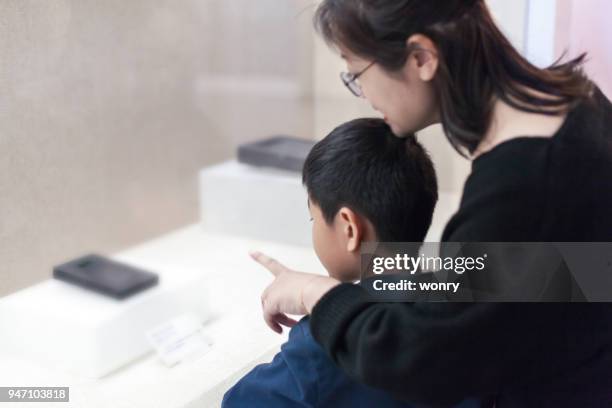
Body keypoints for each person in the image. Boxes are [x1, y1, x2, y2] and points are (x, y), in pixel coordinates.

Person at [250, 0, 612, 407]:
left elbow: (418, 357)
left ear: (421, 57)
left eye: (357, 74)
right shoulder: (575, 105)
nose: (363, 93)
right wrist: (395, 268)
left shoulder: (524, 177)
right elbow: (555, 273)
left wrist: (314, 293)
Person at [224, 118, 480, 407]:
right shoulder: (463, 310)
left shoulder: (327, 343)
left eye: (314, 218)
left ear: (349, 228)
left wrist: (316, 309)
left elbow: (239, 402)